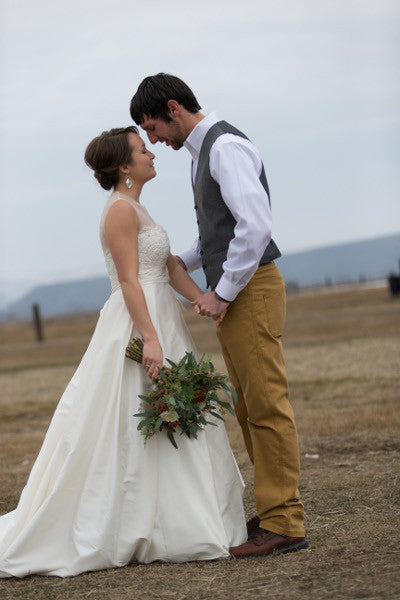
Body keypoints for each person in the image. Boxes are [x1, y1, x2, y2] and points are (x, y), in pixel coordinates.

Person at [0, 126, 246, 578]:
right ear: (123, 166)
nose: (151, 153)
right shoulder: (118, 210)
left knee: (175, 410)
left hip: (161, 316)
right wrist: (149, 339)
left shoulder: (137, 206)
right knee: (133, 414)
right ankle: (135, 520)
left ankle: (183, 515)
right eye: (141, 149)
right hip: (138, 322)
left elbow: (167, 268)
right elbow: (131, 281)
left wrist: (207, 301)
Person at [130, 74, 308, 558]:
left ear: (173, 107)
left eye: (152, 126)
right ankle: (273, 512)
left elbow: (254, 227)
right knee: (249, 407)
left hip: (252, 290)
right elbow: (219, 229)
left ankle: (285, 522)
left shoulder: (225, 147)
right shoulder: (201, 155)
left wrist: (222, 293)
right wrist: (183, 260)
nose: (152, 140)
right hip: (241, 291)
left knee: (266, 404)